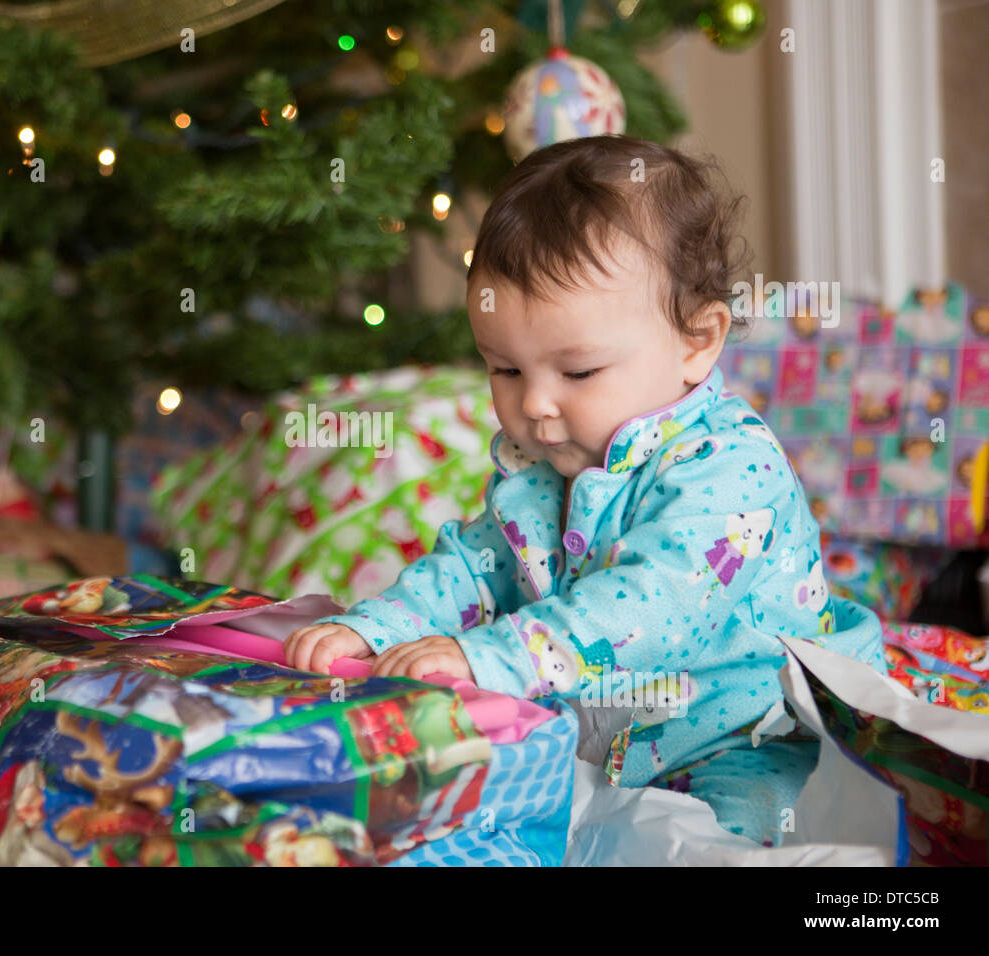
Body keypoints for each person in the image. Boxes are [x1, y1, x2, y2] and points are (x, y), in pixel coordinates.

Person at [283, 134, 886, 847]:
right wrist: (376, 629)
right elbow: (471, 568)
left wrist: (496, 657)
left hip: (748, 736)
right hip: (605, 736)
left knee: (728, 842)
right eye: (505, 370)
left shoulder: (731, 469)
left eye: (577, 373)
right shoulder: (545, 463)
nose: (535, 405)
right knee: (459, 809)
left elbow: (652, 605)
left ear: (698, 340)